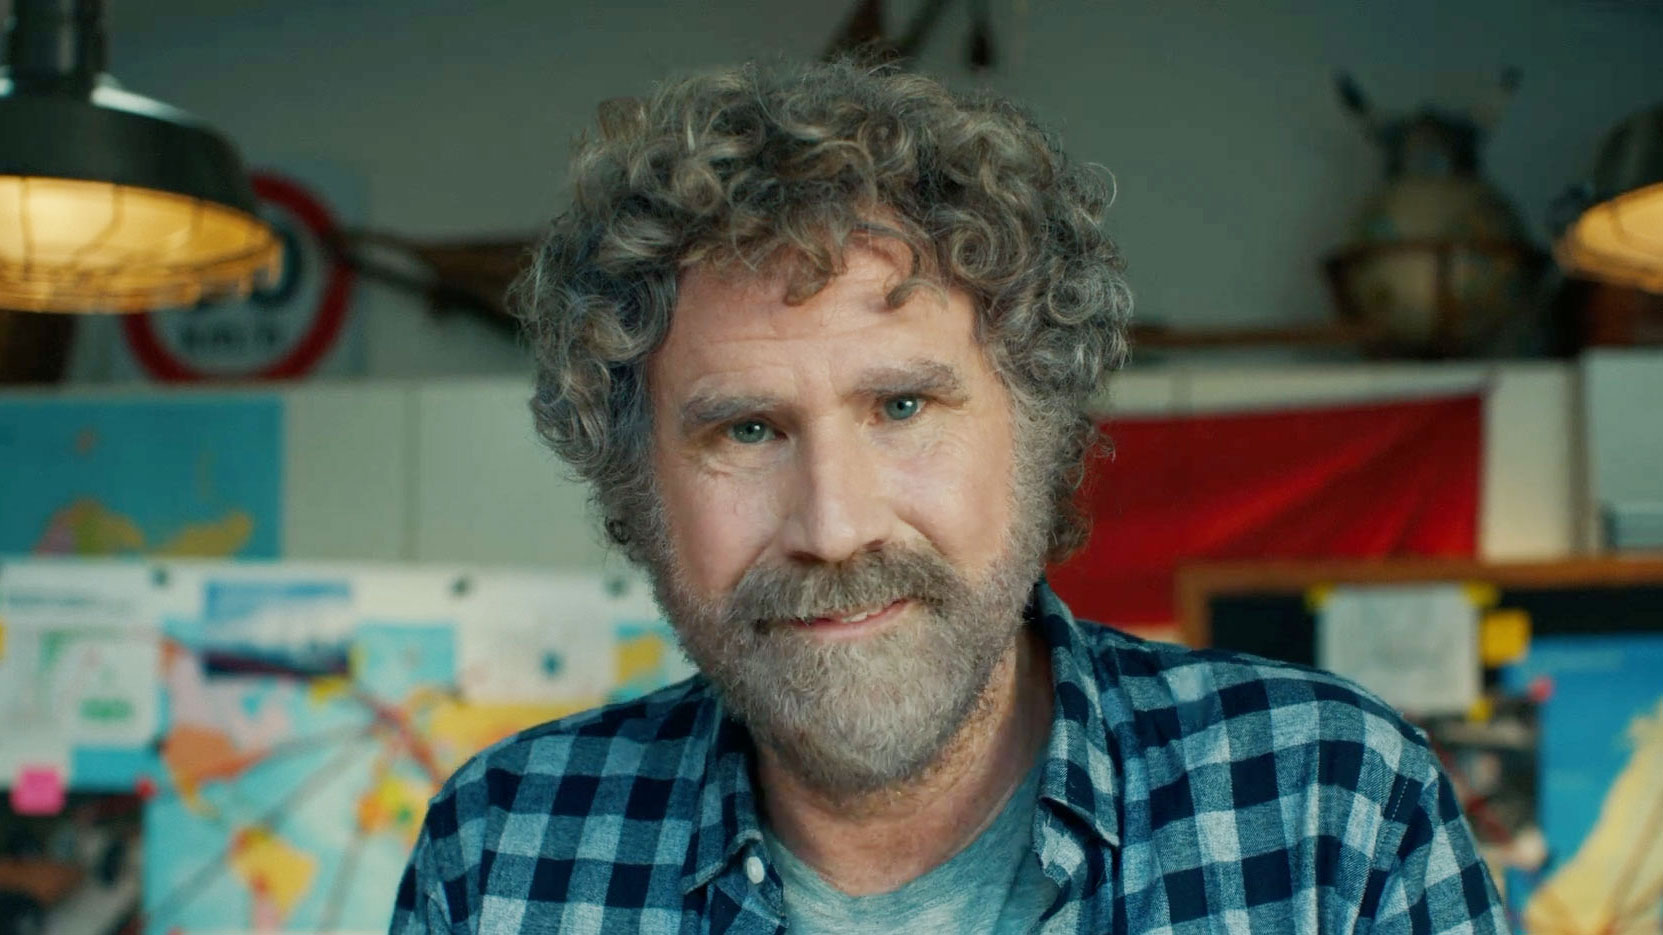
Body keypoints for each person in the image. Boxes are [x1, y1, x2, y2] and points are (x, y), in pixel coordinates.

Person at [391, 60, 1506, 934]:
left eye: (902, 407)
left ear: (1040, 431)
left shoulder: (1329, 811)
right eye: (746, 429)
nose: (836, 527)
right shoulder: (502, 856)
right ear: (636, 485)